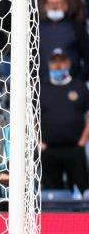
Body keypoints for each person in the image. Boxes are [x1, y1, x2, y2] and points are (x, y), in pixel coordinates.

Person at [38, 51, 89, 192]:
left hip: (75, 148)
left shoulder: (79, 87)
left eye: (61, 61)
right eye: (54, 62)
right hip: (49, 149)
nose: (58, 65)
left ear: (68, 63)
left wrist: (82, 142)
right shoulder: (41, 89)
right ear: (49, 65)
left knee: (82, 190)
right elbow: (33, 119)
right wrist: (38, 141)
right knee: (51, 192)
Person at [39, 0, 89, 76]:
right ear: (46, 6)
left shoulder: (76, 27)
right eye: (51, 3)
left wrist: (80, 79)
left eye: (58, 3)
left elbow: (87, 56)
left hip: (71, 81)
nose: (54, 6)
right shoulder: (37, 28)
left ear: (65, 5)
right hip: (42, 82)